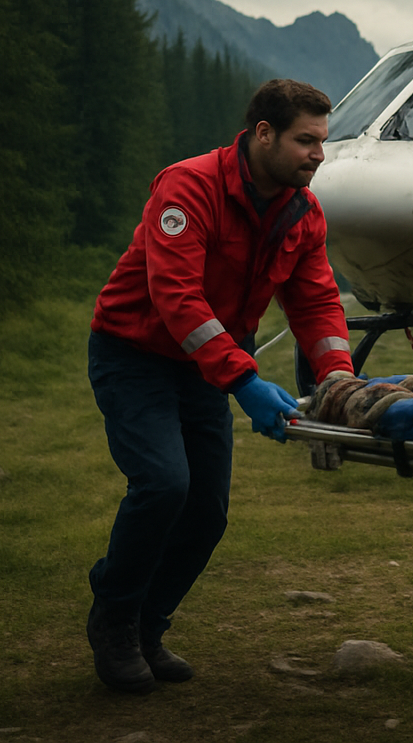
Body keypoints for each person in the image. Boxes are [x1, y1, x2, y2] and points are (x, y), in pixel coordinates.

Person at [85, 79, 355, 693]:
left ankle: (148, 626)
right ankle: (114, 617)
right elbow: (176, 298)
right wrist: (246, 383)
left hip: (207, 366)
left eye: (323, 142)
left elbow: (314, 301)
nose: (319, 155)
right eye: (305, 141)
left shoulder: (302, 211)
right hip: (135, 355)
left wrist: (338, 377)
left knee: (206, 512)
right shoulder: (187, 186)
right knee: (163, 485)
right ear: (264, 134)